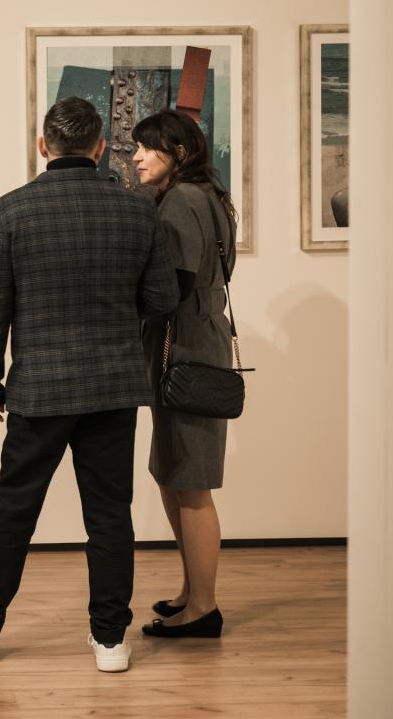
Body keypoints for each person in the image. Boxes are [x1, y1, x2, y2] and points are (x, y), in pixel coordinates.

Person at [0, 97, 178, 673]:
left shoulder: (10, 211)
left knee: (14, 509)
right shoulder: (137, 211)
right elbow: (163, 298)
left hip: (39, 388)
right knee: (109, 514)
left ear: (43, 145)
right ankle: (111, 640)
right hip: (114, 386)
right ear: (101, 147)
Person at [133, 109, 238, 640]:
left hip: (185, 344)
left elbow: (171, 286)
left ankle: (204, 608)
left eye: (147, 147)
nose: (136, 157)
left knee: (190, 480)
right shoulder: (211, 196)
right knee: (175, 472)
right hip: (196, 338)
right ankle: (192, 592)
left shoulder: (181, 200)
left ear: (178, 151)